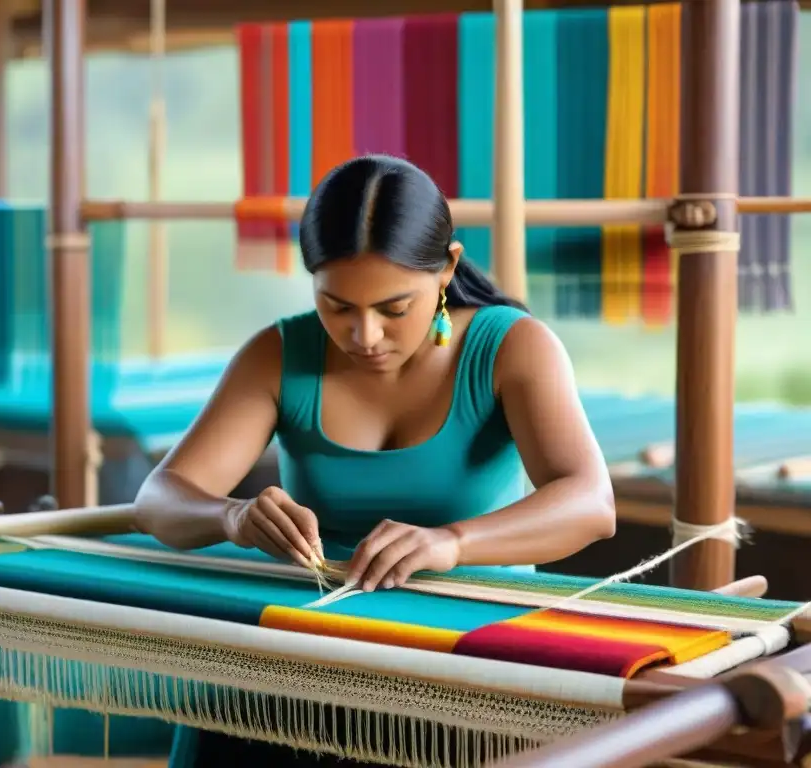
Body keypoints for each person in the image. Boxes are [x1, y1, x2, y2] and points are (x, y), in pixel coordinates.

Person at [133, 154, 616, 766]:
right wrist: (231, 518)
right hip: (311, 648)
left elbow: (592, 503)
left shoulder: (511, 348)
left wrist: (454, 542)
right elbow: (158, 500)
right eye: (337, 306)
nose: (364, 336)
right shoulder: (280, 354)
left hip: (471, 663)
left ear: (447, 270)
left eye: (393, 309)